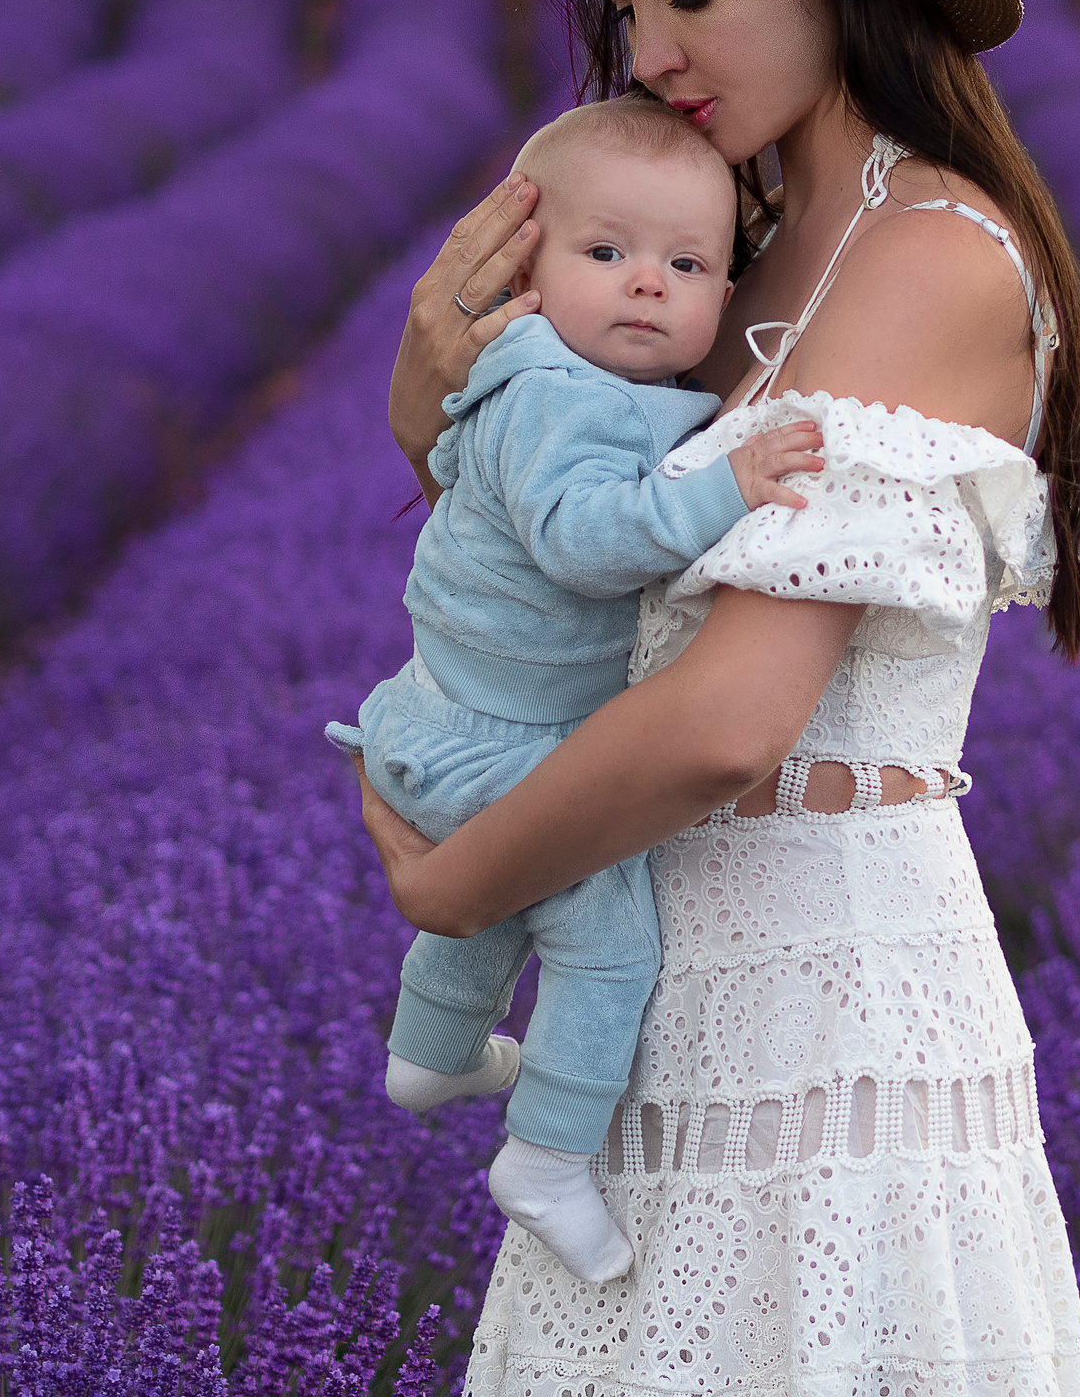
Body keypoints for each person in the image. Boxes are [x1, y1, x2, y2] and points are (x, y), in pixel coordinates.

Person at [359, 0, 1080, 1394]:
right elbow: (578, 565)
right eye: (621, 3)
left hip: (826, 1013)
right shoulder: (744, 249)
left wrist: (447, 889)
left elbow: (725, 719)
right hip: (662, 1004)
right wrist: (431, 402)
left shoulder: (927, 260)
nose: (648, 44)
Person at [325, 96, 827, 1286]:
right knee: (605, 949)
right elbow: (583, 544)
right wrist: (731, 487)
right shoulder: (565, 396)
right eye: (607, 254)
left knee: (503, 907)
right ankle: (546, 1159)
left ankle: (431, 1053)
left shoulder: (531, 379)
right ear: (526, 272)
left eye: (688, 264)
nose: (648, 284)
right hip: (499, 742)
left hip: (436, 720)